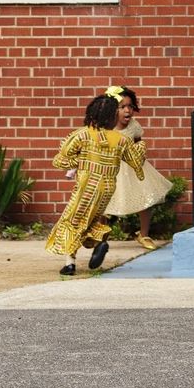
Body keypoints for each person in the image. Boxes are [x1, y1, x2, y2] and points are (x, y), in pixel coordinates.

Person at [45, 88, 146, 276]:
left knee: (73, 220)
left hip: (86, 187)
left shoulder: (83, 134)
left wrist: (81, 161)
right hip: (107, 188)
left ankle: (70, 263)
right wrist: (141, 145)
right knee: (96, 217)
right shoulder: (120, 139)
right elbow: (136, 162)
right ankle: (100, 241)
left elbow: (60, 160)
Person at [104, 87, 176, 250]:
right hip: (112, 170)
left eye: (130, 106)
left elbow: (138, 142)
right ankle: (101, 237)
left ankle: (143, 234)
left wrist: (140, 153)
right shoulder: (105, 127)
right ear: (111, 109)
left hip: (134, 168)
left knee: (145, 198)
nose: (128, 110)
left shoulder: (134, 126)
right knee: (105, 203)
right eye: (122, 107)